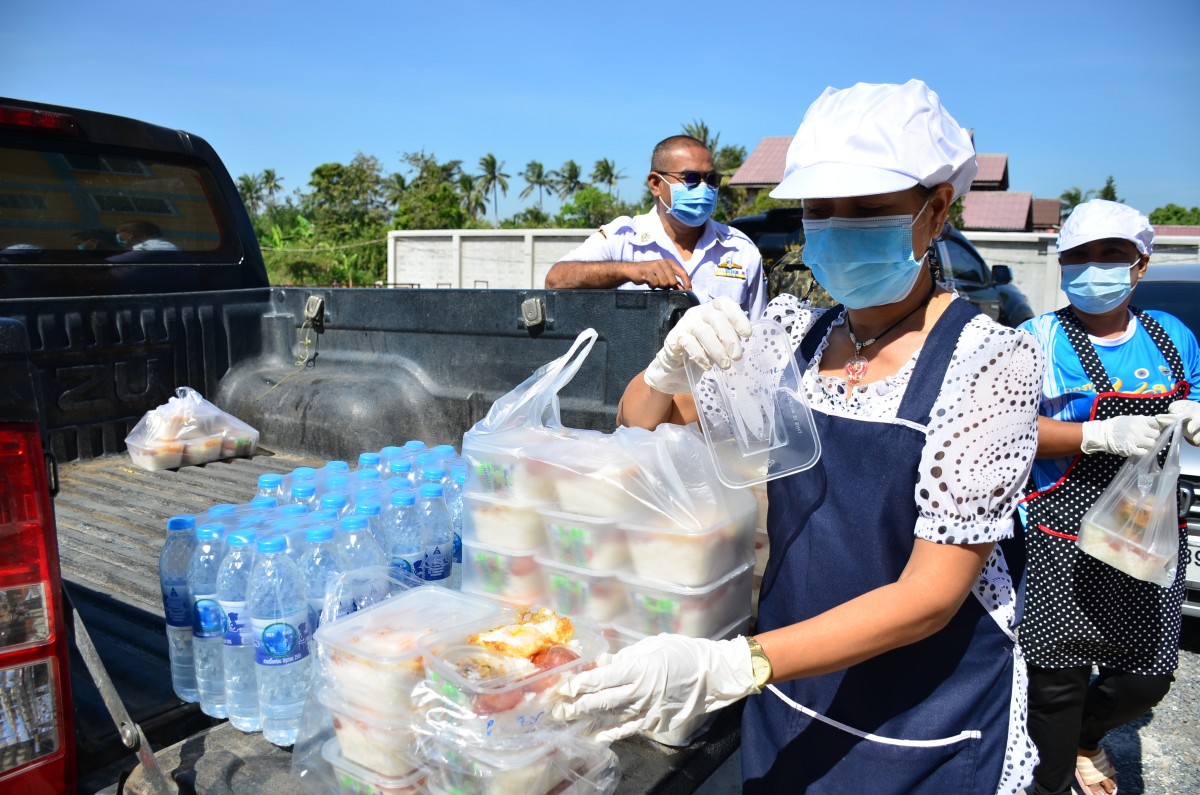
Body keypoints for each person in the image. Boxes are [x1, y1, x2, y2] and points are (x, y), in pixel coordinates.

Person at [552, 80, 1045, 794]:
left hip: (923, 722)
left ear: (935, 210)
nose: (838, 226)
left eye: (867, 208)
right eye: (821, 208)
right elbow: (642, 422)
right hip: (792, 694)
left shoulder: (989, 361)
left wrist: (730, 665)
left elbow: (931, 595)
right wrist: (665, 368)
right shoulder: (794, 335)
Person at [1016, 200, 1200, 795]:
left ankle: (1088, 738)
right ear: (1062, 264)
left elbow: (1194, 395)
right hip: (1061, 537)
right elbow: (1007, 433)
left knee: (1148, 679)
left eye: (1112, 255)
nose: (1093, 267)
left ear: (1140, 265)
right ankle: (1051, 776)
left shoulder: (1172, 337)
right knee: (1055, 684)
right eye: (1079, 256)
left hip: (1146, 534)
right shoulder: (1035, 339)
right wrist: (1098, 434)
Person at [544, 135, 766, 318]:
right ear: (656, 184)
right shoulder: (623, 238)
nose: (704, 188)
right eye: (690, 178)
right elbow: (556, 279)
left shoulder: (740, 249)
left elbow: (758, 339)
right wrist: (631, 270)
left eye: (711, 179)